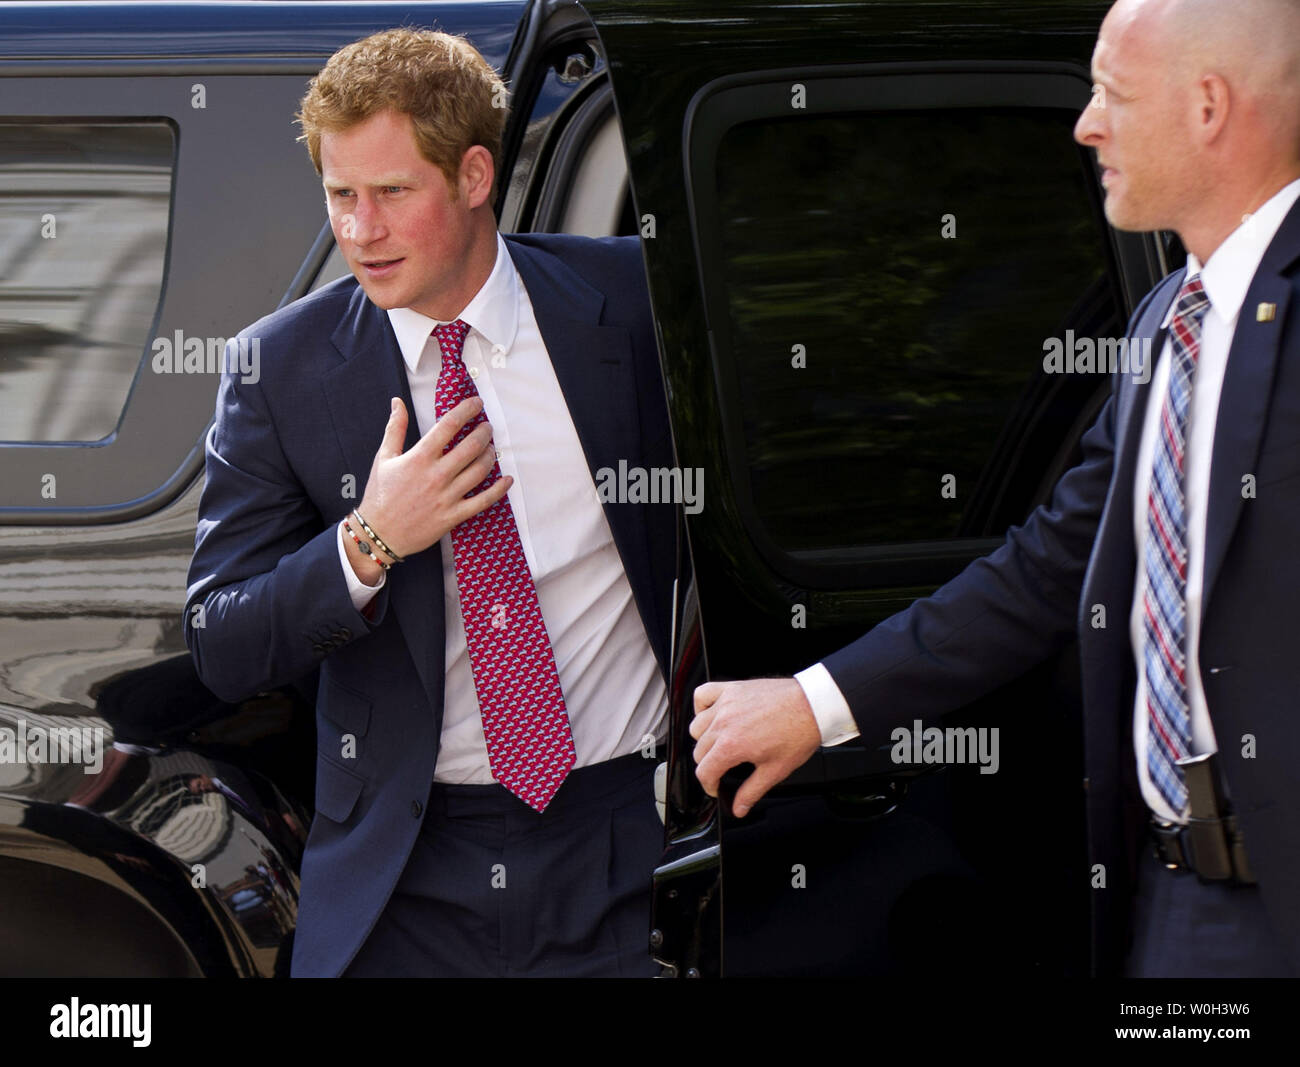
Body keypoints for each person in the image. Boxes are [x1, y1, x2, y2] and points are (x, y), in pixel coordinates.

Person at [690, 0, 1300, 977]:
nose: (1084, 122)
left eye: (1112, 93)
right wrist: (814, 702)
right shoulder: (1164, 322)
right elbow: (1047, 565)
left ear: (1208, 107)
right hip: (1176, 896)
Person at [184, 28, 677, 977]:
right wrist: (369, 541)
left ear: (476, 174)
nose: (357, 230)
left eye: (391, 194)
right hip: (406, 871)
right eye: (339, 195)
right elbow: (222, 639)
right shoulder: (276, 369)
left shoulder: (630, 304)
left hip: (620, 841)